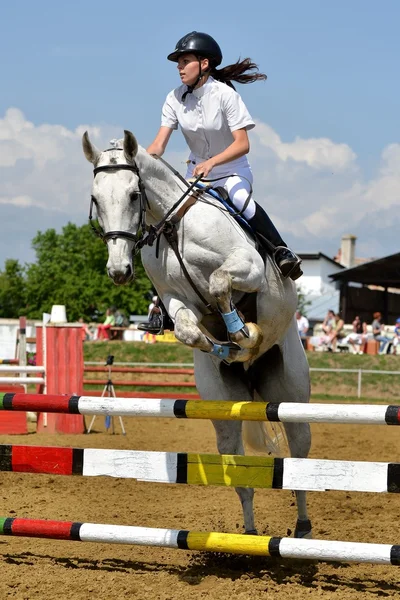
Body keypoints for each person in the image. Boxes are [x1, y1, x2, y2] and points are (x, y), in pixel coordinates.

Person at [146, 31, 302, 282]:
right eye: (178, 63)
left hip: (232, 171)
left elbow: (243, 144)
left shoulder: (226, 95)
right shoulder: (173, 98)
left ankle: (281, 251)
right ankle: (162, 300)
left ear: (204, 63)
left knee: (242, 200)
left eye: (185, 61)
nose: (179, 67)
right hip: (195, 175)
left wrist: (212, 162)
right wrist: (135, 161)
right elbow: (158, 145)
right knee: (167, 221)